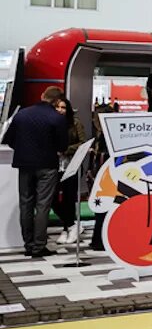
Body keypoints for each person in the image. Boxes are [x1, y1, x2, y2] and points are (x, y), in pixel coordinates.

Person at [1, 87, 68, 257]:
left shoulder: (22, 114)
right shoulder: (57, 118)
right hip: (47, 165)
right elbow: (62, 146)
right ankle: (39, 246)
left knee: (26, 204)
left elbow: (9, 140)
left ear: (42, 95)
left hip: (24, 165)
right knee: (43, 206)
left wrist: (24, 150)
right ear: (57, 100)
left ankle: (28, 244)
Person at [53, 98, 86, 245]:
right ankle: (72, 225)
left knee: (68, 198)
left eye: (63, 107)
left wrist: (66, 150)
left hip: (71, 165)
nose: (60, 110)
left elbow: (82, 142)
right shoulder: (50, 123)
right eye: (57, 107)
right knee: (52, 198)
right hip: (54, 166)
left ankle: (67, 229)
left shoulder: (75, 123)